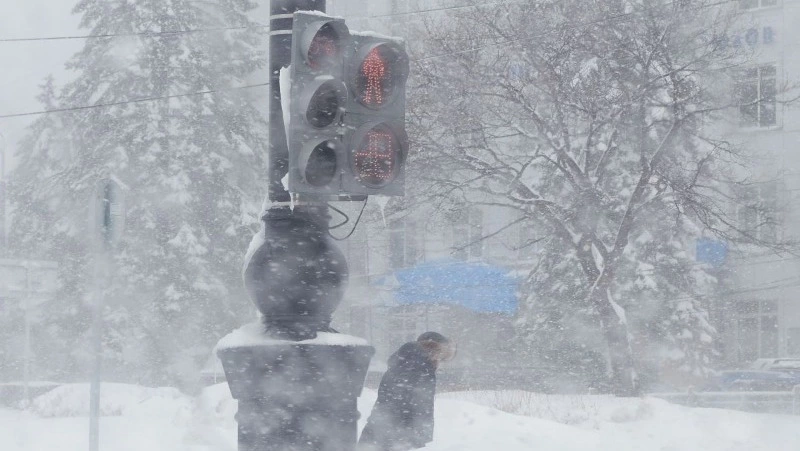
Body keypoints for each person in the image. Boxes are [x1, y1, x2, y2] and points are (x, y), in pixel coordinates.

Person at [358, 332, 455, 451]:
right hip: (396, 434)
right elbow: (418, 406)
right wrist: (418, 436)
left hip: (383, 430)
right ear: (434, 349)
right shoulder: (419, 365)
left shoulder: (408, 360)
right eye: (441, 356)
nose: (440, 362)